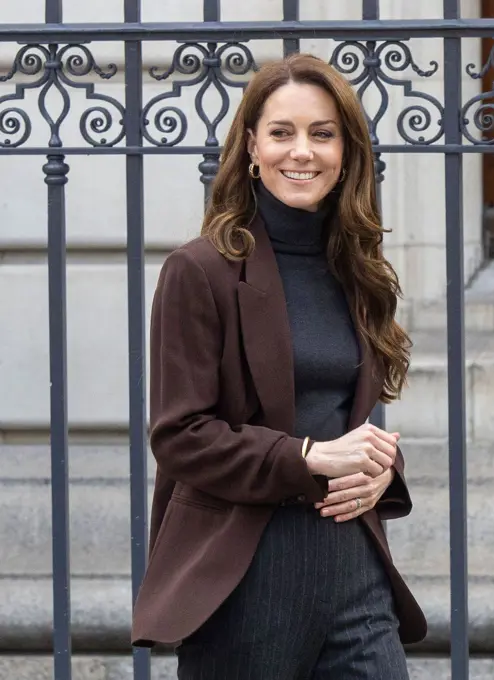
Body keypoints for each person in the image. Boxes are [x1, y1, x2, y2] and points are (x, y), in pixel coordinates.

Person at [131, 52, 427, 679]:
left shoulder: (358, 269)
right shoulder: (201, 269)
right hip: (246, 578)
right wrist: (306, 457)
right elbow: (180, 436)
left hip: (354, 574)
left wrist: (380, 468)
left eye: (322, 134)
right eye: (282, 132)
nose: (303, 151)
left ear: (346, 151)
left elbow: (347, 420)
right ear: (251, 147)